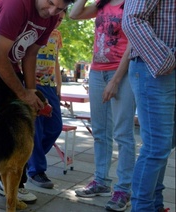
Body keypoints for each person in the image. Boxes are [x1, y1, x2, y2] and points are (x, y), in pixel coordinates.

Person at [0, 0, 75, 211]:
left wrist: (31, 94)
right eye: (50, 3)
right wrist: (22, 93)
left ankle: (11, 185)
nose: (52, 11)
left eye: (59, 9)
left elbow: (30, 55)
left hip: (9, 65)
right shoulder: (18, 4)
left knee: (21, 126)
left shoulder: (51, 18)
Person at [70, 0, 136, 211]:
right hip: (98, 72)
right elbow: (74, 14)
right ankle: (101, 182)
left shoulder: (132, 4)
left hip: (123, 72)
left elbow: (133, 42)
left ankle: (124, 189)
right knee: (100, 131)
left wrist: (116, 80)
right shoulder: (101, 4)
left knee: (123, 133)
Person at [122, 0, 175, 211]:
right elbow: (132, 20)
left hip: (164, 69)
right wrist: (166, 60)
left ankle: (155, 204)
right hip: (155, 69)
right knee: (156, 146)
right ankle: (142, 208)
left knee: (166, 143)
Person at [27, 10, 66, 189]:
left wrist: (59, 84)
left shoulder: (57, 35)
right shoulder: (34, 28)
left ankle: (30, 158)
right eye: (58, 17)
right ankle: (36, 170)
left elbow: (55, 60)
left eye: (62, 18)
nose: (59, 20)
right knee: (37, 129)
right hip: (33, 84)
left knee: (55, 127)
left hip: (50, 87)